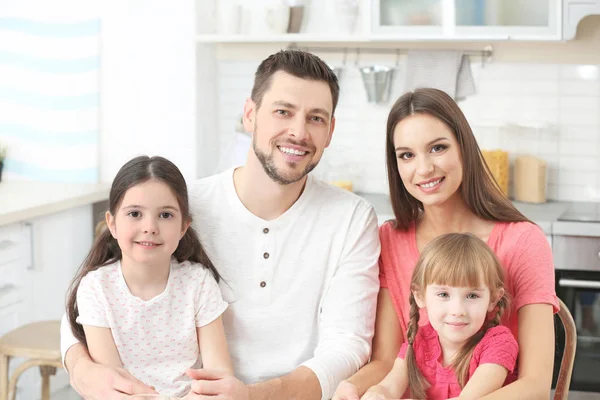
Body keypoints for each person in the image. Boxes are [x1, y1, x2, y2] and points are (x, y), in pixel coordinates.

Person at [60, 50, 381, 400]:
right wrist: (80, 368)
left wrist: (251, 396)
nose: (299, 132)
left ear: (330, 130)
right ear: (250, 115)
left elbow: (348, 345)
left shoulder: (352, 218)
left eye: (316, 118)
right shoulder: (182, 208)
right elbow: (98, 291)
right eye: (283, 112)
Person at [333, 88, 558, 400]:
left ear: (463, 148)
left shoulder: (523, 241)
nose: (423, 169)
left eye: (437, 148)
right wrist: (352, 387)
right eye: (407, 155)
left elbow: (534, 386)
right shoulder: (389, 239)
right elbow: (388, 361)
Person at [65, 155, 232, 398]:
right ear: (112, 223)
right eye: (135, 214)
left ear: (184, 226)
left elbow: (219, 378)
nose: (150, 227)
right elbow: (112, 387)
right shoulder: (96, 288)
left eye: (165, 215)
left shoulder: (198, 283)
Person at [361, 233, 518, 400]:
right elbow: (389, 386)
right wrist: (377, 393)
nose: (457, 310)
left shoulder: (499, 343)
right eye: (444, 294)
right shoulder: (418, 342)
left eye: (472, 296)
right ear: (420, 296)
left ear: (493, 299)